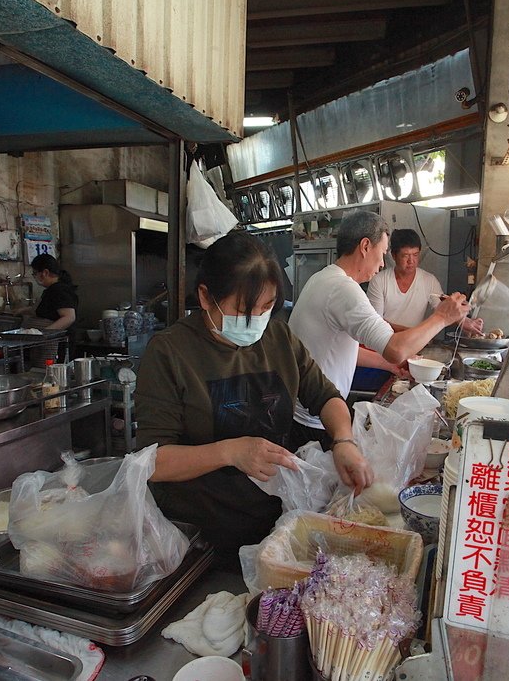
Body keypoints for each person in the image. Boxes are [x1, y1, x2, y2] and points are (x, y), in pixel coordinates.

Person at [134, 232, 371, 567]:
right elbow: (153, 461)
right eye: (245, 309)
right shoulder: (170, 352)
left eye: (267, 307)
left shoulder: (278, 336)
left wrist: (344, 440)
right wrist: (230, 452)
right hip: (202, 540)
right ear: (205, 296)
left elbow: (325, 395)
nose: (257, 319)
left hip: (277, 525)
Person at [289, 211, 470, 446]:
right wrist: (442, 317)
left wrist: (389, 365)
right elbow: (395, 348)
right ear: (365, 246)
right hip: (314, 418)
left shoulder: (323, 279)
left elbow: (339, 349)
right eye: (382, 253)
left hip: (307, 409)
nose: (383, 263)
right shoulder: (343, 289)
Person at [367, 228, 484, 335]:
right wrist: (411, 332)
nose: (411, 261)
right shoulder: (379, 281)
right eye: (405, 256)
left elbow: (442, 308)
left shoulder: (429, 281)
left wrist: (464, 321)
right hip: (384, 343)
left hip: (415, 343)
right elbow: (376, 322)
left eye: (415, 255)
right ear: (394, 255)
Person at [29, 253, 78, 330]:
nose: (34, 277)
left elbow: (69, 317)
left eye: (35, 273)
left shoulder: (59, 290)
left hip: (58, 340)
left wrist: (44, 334)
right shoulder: (52, 289)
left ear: (45, 273)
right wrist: (24, 310)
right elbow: (50, 310)